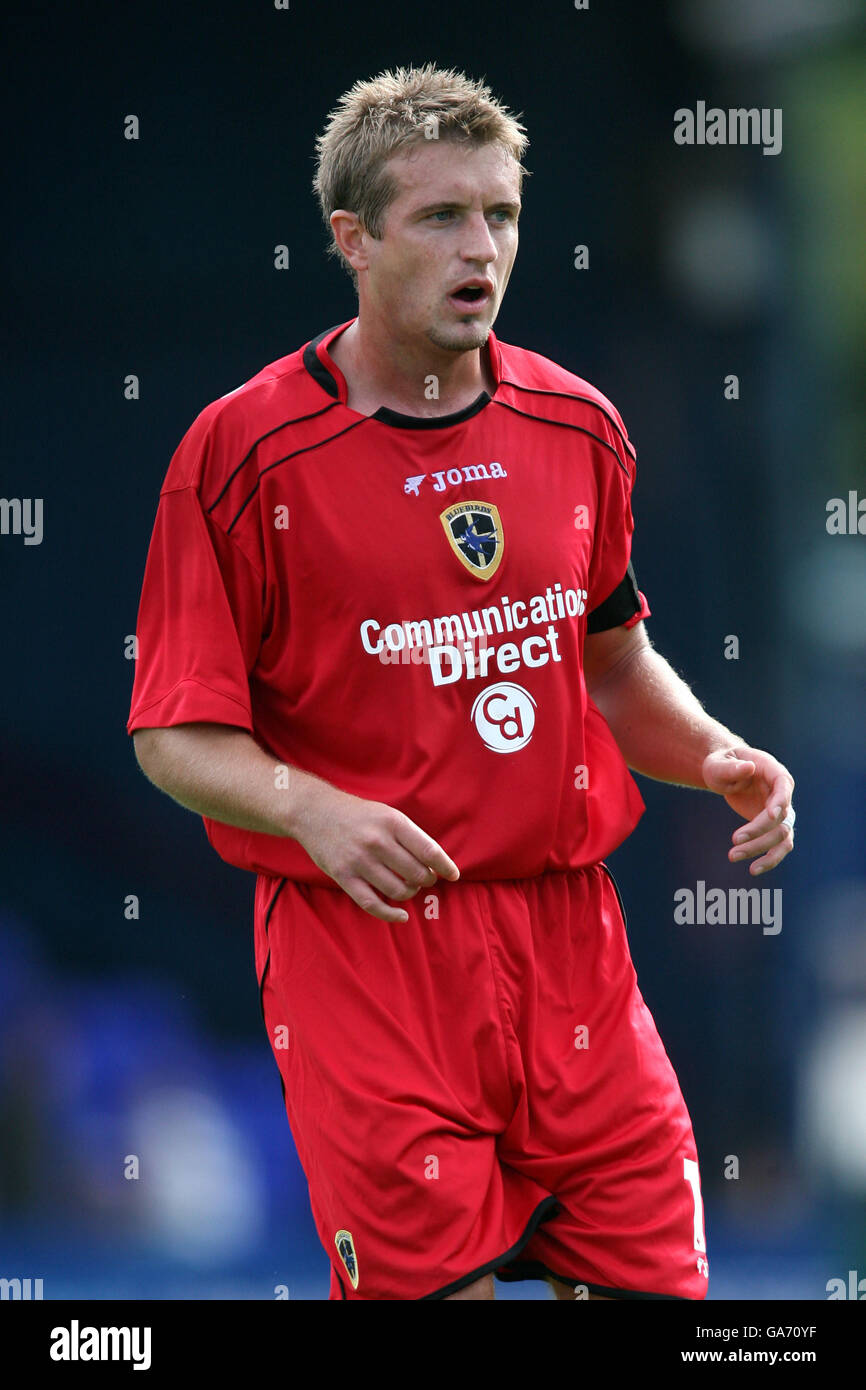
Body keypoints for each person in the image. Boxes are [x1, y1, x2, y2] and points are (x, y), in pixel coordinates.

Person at [127, 63, 795, 1301]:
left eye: (500, 214)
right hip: (367, 959)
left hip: (571, 947)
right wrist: (313, 810)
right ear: (353, 238)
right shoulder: (240, 455)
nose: (479, 246)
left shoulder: (578, 424)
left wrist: (707, 749)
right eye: (441, 217)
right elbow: (174, 734)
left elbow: (609, 660)